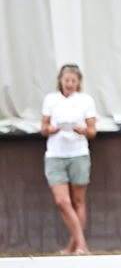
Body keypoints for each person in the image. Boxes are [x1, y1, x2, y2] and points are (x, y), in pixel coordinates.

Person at [40, 64, 97, 254]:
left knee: (78, 201)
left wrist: (82, 130)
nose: (70, 84)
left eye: (73, 80)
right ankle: (82, 243)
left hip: (78, 152)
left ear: (78, 82)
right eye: (67, 80)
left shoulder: (85, 101)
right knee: (61, 201)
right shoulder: (51, 100)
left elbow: (92, 130)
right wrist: (51, 129)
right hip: (56, 154)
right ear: (60, 81)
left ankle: (74, 246)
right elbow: (43, 127)